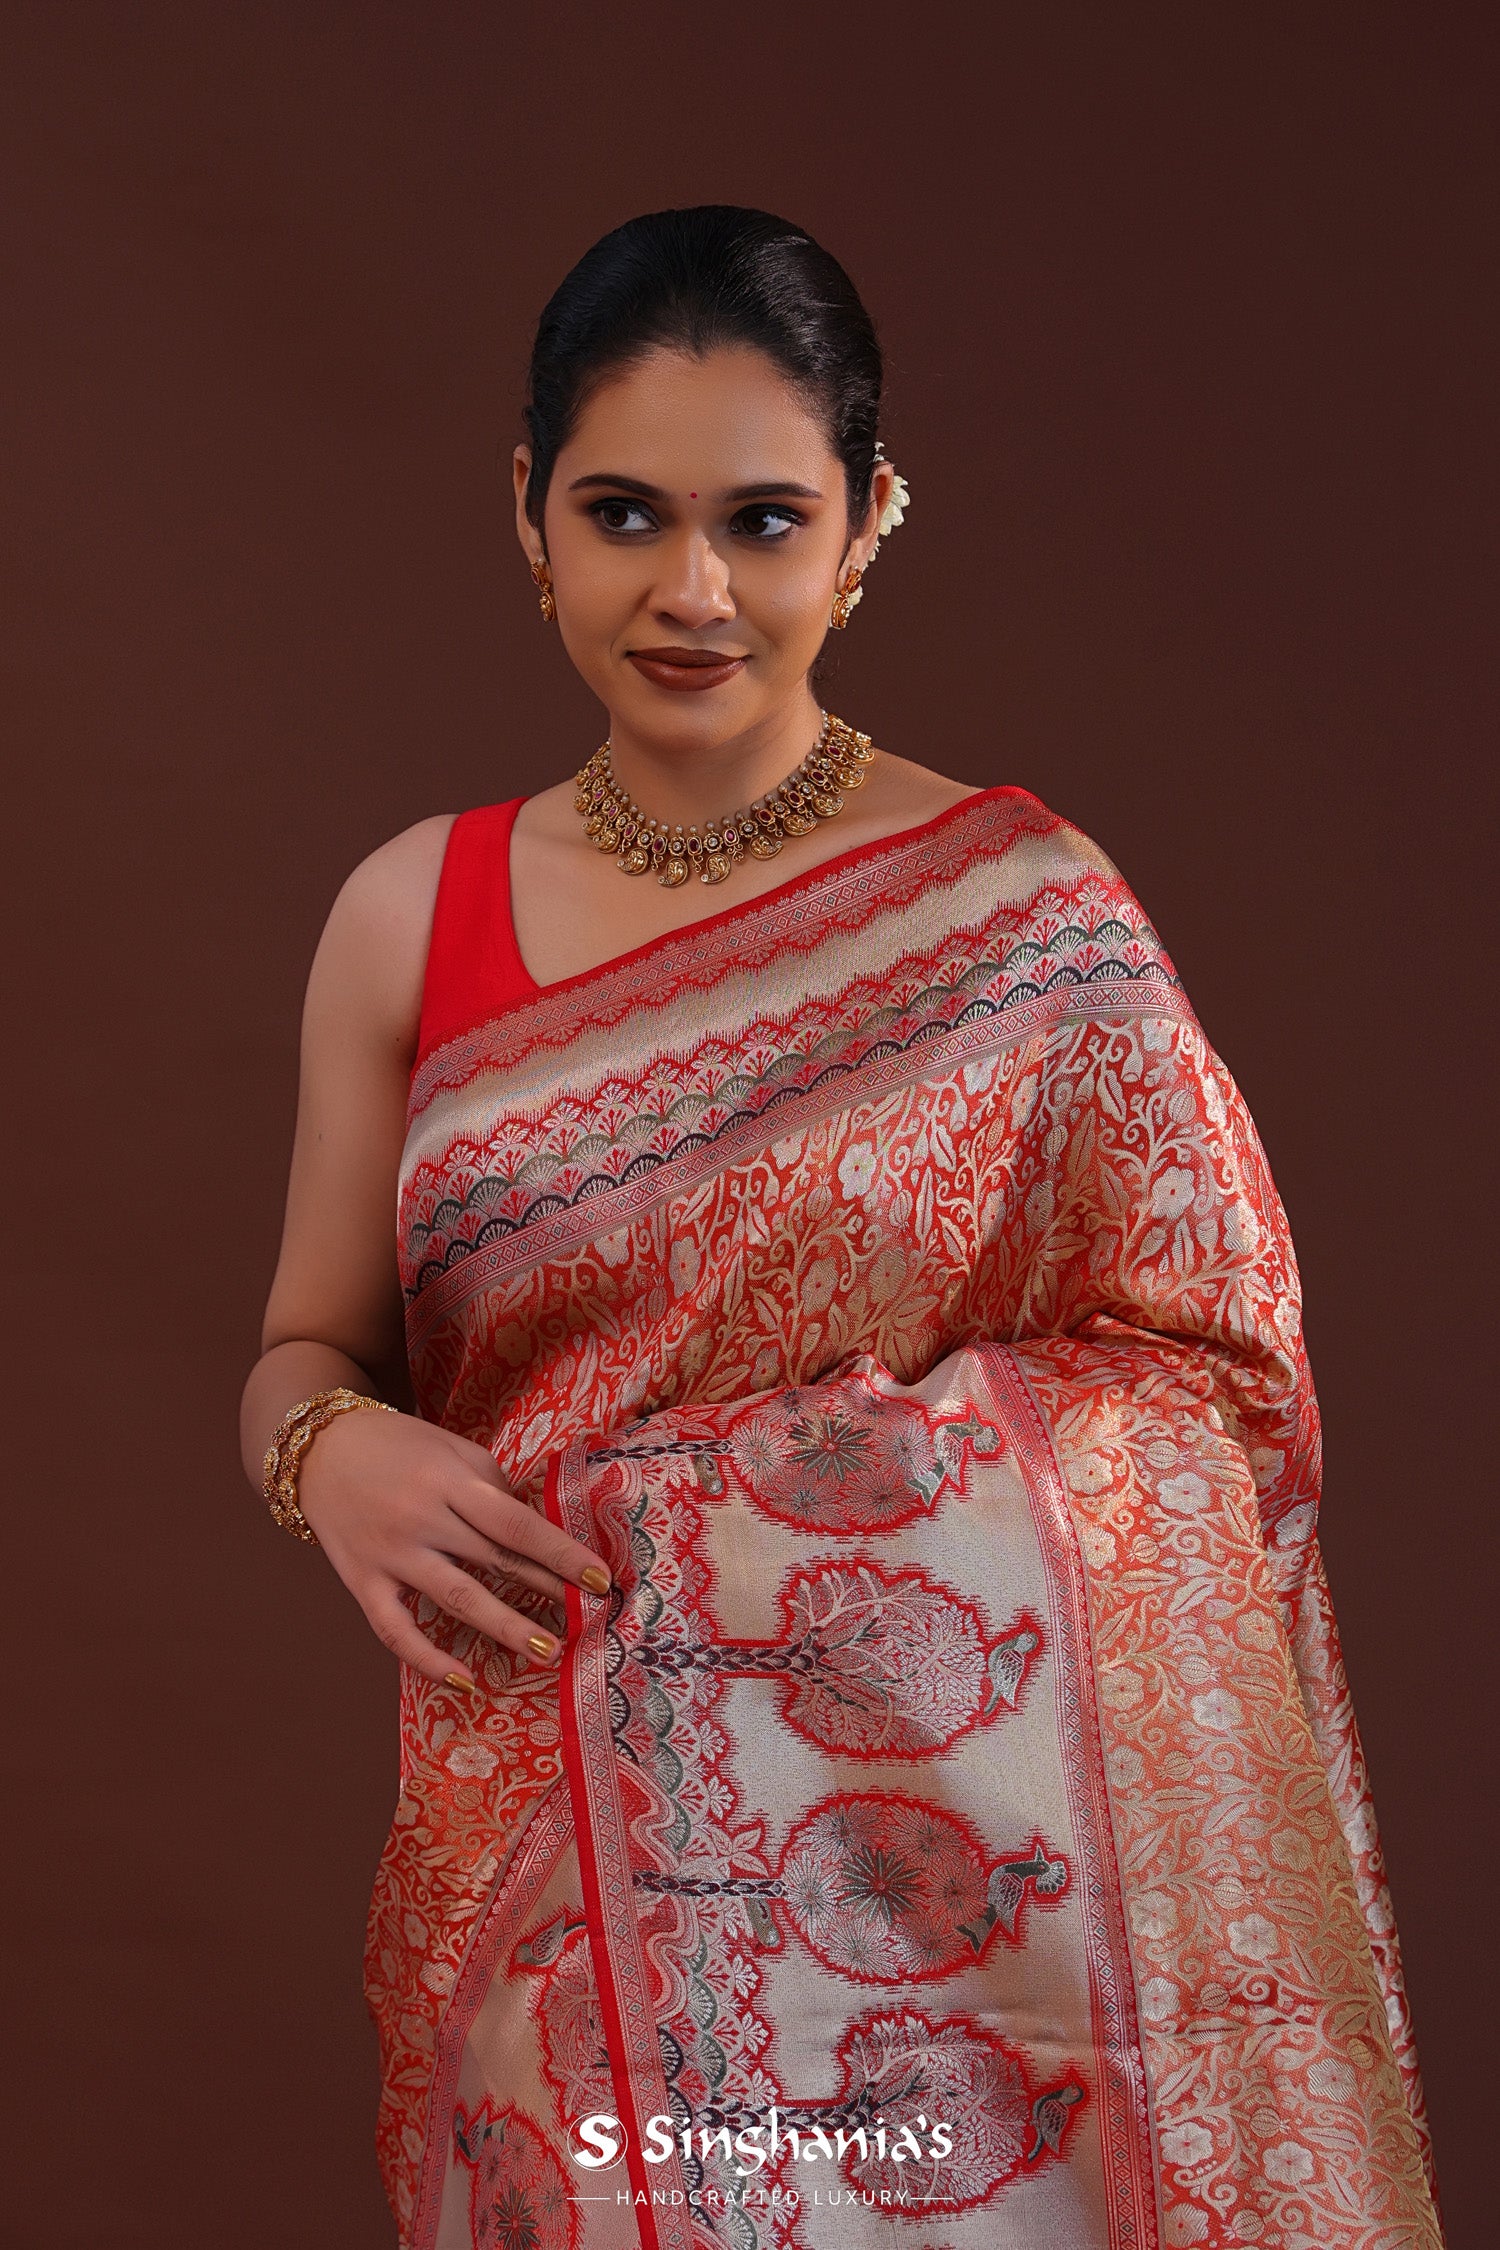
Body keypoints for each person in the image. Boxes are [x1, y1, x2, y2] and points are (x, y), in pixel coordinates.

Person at [240, 206, 1442, 2250]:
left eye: (764, 522)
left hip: (952, 1939)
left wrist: (739, 1527)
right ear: (529, 516)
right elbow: (307, 1349)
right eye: (624, 513)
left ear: (868, 527)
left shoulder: (1024, 916)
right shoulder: (405, 917)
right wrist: (327, 1455)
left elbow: (1216, 1389)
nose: (692, 591)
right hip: (554, 1865)